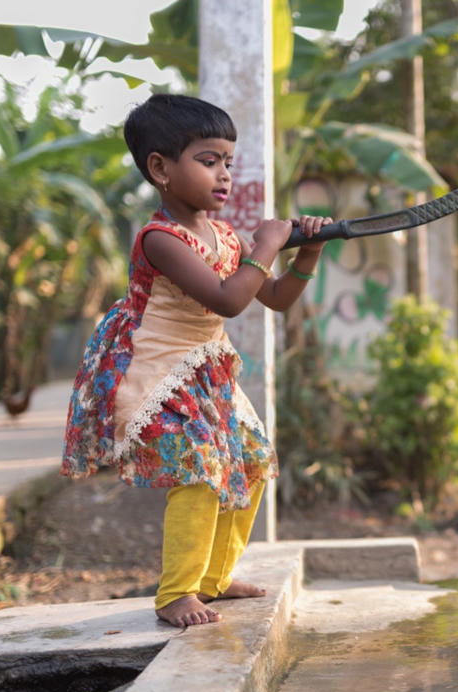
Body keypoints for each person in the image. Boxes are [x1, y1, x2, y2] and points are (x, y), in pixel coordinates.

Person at [61, 94, 332, 626]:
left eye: (228, 161)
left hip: (208, 370)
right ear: (161, 169)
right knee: (200, 472)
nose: (224, 174)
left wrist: (308, 252)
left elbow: (272, 298)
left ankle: (213, 579)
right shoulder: (160, 239)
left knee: (251, 465)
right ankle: (176, 593)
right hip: (158, 371)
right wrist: (269, 243)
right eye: (208, 161)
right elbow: (230, 299)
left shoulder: (224, 236)